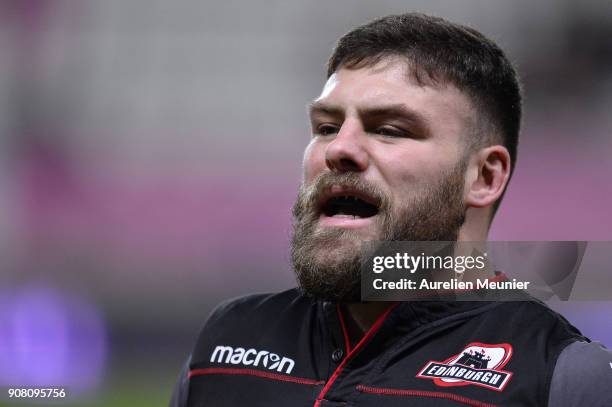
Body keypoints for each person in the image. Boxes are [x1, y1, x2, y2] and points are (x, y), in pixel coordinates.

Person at [169, 13, 612, 406]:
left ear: (484, 177)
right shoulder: (226, 344)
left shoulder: (560, 377)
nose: (339, 148)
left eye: (390, 130)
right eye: (326, 126)